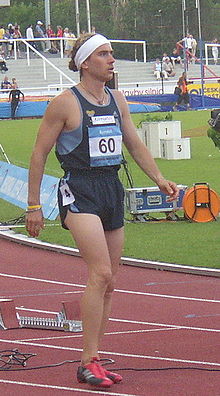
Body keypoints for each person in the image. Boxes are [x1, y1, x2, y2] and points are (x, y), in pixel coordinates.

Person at [25, 32, 179, 388]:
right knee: (100, 273)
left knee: (109, 282)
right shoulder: (65, 103)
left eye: (112, 54)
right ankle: (87, 361)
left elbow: (134, 142)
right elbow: (38, 154)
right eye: (105, 54)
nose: (112, 60)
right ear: (86, 62)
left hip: (111, 188)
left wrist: (159, 178)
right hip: (79, 190)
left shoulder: (117, 99)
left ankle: (94, 356)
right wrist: (34, 205)